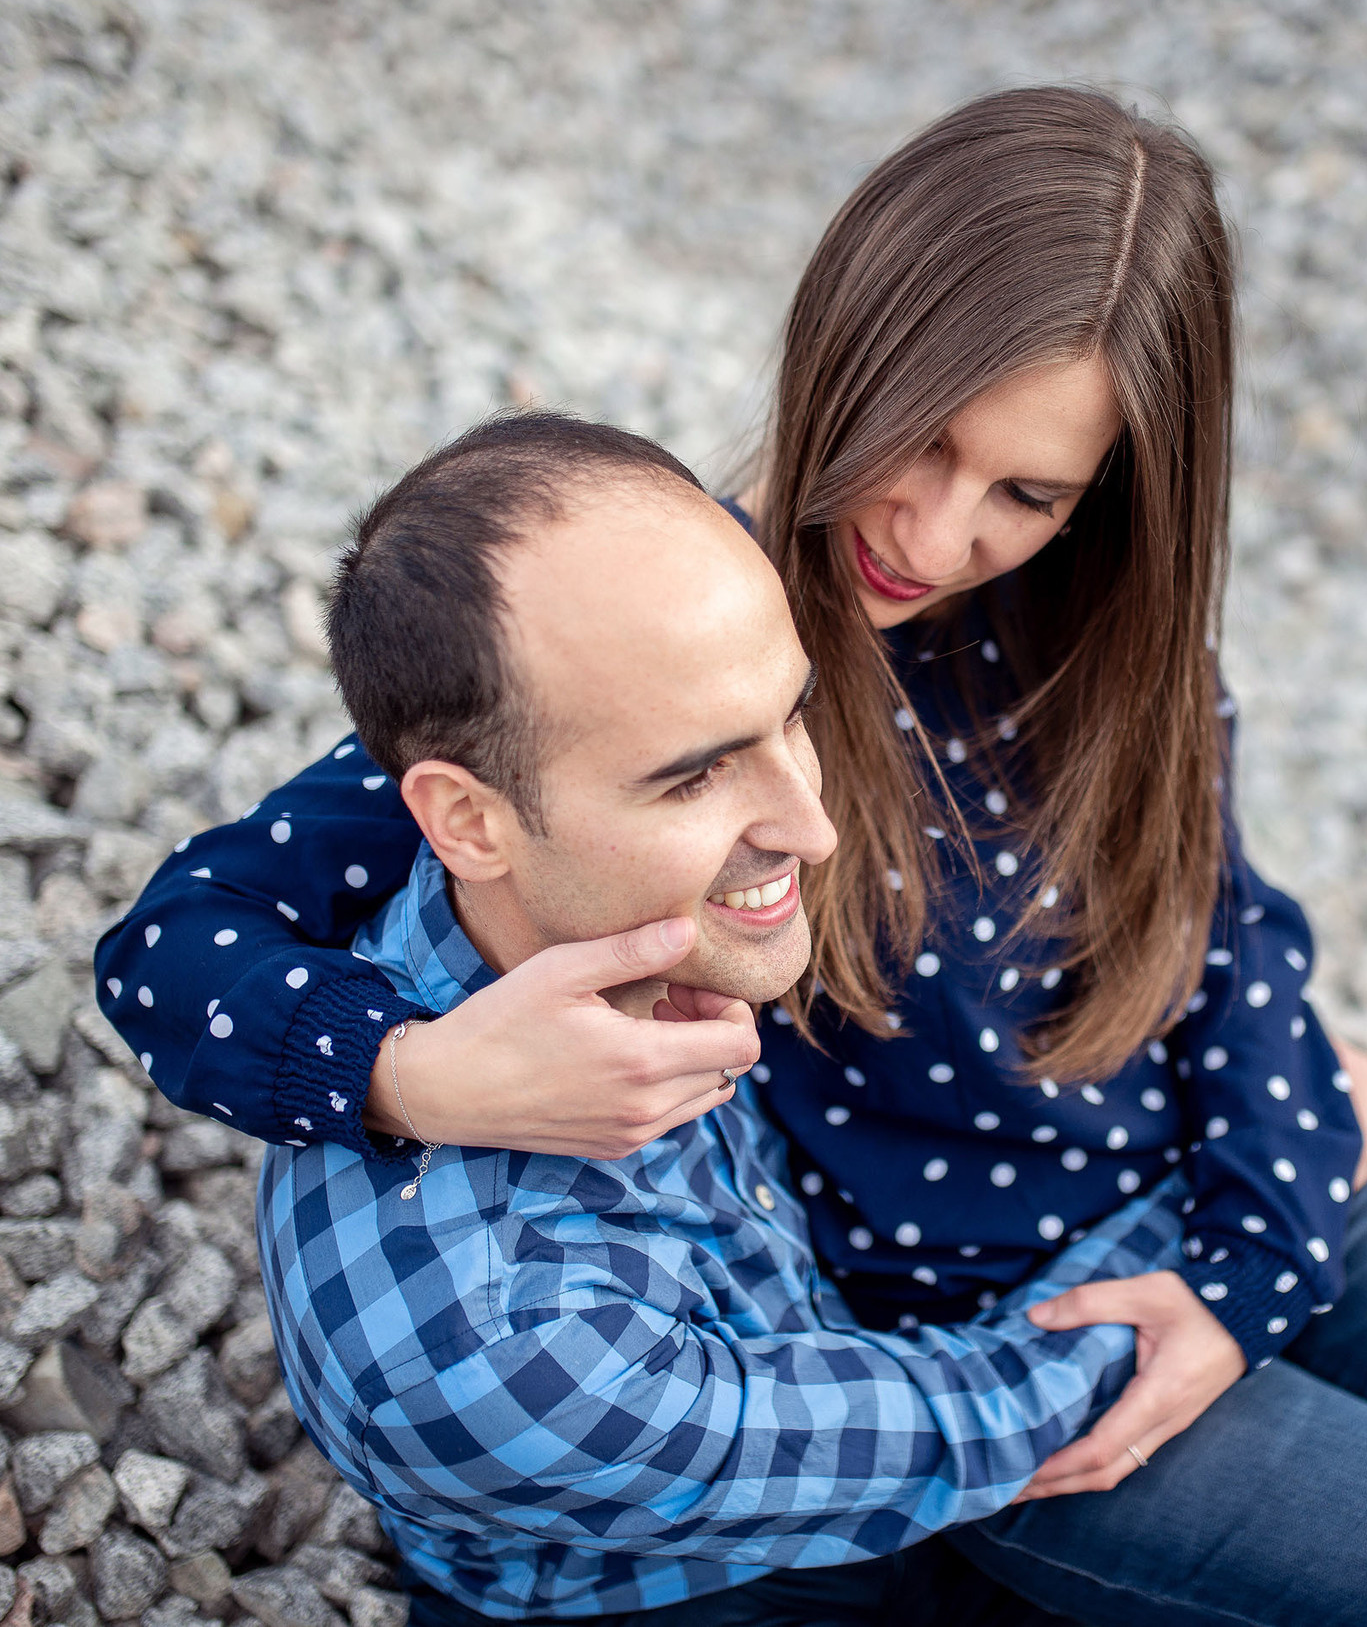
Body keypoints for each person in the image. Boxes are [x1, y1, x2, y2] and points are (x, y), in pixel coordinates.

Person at [102, 88, 1367, 1624]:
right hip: (1016, 1328)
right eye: (923, 438)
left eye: (1027, 492)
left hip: (1240, 1192)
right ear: (847, 343)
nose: (934, 532)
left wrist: (1245, 1265)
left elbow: (1231, 944)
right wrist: (416, 1071)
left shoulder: (1114, 654)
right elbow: (175, 943)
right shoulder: (680, 644)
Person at [245, 411, 1222, 1626]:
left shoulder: (556, 905)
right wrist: (1218, 1240)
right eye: (695, 772)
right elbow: (953, 1428)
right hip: (755, 1583)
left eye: (792, 717)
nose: (811, 825)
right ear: (465, 820)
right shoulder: (509, 1341)